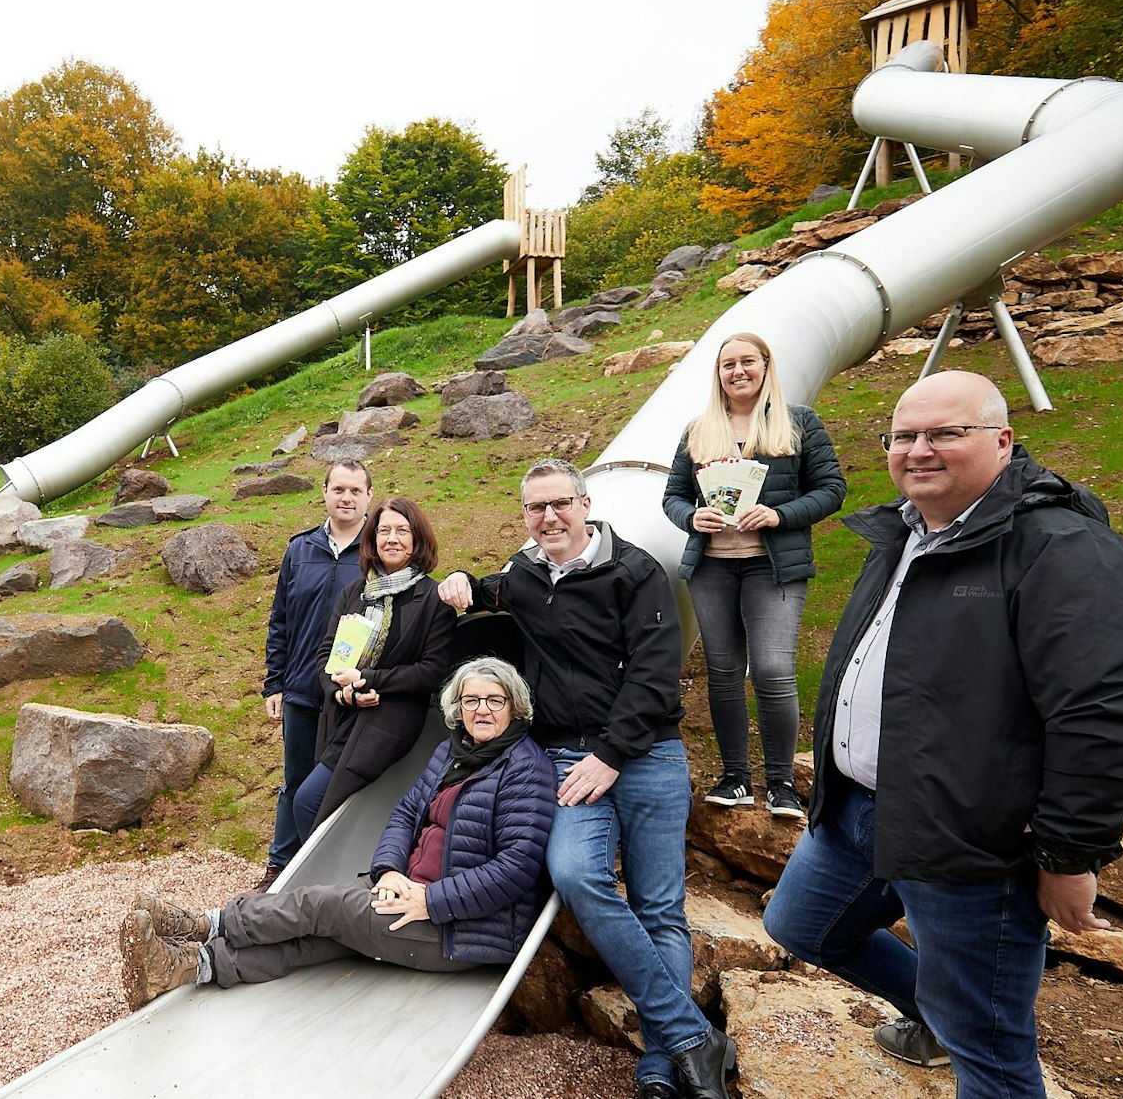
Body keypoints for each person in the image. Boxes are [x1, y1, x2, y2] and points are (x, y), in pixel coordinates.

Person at [762, 370, 1123, 1098]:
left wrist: (1069, 855)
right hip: (858, 811)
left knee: (992, 1050)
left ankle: (957, 1025)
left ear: (1002, 440)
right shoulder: (907, 530)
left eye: (946, 433)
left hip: (972, 841)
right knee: (804, 925)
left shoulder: (1059, 548)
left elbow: (1100, 716)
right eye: (904, 435)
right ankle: (936, 1011)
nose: (919, 450)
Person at [440, 459, 736, 1099]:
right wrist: (463, 578)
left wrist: (612, 754)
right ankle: (693, 1037)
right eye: (535, 508)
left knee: (661, 907)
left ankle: (661, 1063)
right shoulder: (525, 576)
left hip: (646, 755)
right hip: (569, 760)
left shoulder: (634, 572)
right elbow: (492, 590)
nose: (549, 517)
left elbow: (655, 676)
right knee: (576, 874)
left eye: (560, 504)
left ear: (585, 503)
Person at [120, 657, 554, 1008]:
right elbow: (406, 813)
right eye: (471, 700)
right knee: (313, 941)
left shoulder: (524, 768)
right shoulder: (453, 752)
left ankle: (205, 924)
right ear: (457, 708)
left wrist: (430, 901)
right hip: (407, 891)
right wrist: (387, 870)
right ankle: (189, 967)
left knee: (320, 905)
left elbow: (516, 868)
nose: (481, 710)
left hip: (461, 929)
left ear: (515, 706)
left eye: (494, 701)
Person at [662, 333, 846, 818]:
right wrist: (690, 518)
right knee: (722, 673)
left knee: (772, 671)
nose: (737, 371)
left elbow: (832, 489)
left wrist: (778, 515)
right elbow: (674, 496)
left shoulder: (798, 422)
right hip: (712, 567)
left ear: (766, 366)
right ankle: (734, 777)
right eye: (728, 365)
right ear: (717, 374)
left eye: (747, 362)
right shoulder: (698, 429)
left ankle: (781, 784)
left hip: (774, 566)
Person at [292, 496, 456, 841]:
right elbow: (327, 655)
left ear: (417, 540)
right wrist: (342, 693)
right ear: (372, 540)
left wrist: (367, 680)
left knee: (311, 801)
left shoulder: (433, 598)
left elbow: (431, 671)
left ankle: (316, 884)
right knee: (313, 802)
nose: (391, 539)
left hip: (387, 725)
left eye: (402, 530)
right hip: (342, 716)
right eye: (383, 531)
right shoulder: (355, 592)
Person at [258, 459, 371, 888]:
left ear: (367, 498)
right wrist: (275, 682)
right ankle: (282, 866)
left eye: (355, 491)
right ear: (324, 493)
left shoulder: (376, 551)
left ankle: (336, 867)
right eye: (338, 489)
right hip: (304, 692)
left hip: (352, 694)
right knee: (295, 782)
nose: (346, 498)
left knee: (340, 784)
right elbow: (280, 621)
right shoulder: (299, 549)